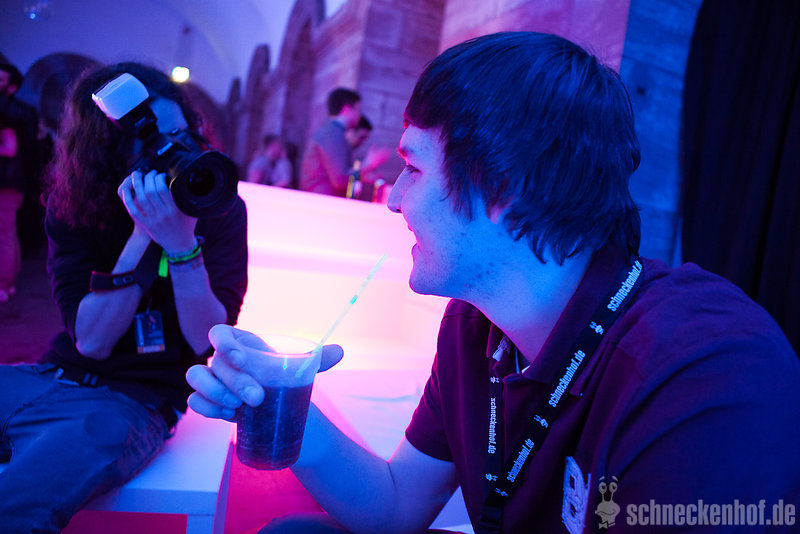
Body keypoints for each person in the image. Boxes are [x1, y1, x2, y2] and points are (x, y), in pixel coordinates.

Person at [187, 32, 800, 533]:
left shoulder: (706, 373)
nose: (394, 200)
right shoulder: (474, 327)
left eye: (411, 167)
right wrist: (284, 399)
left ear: (504, 185)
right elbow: (396, 506)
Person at [0, 62, 248, 533]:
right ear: (108, 155)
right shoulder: (76, 203)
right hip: (49, 375)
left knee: (13, 507)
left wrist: (180, 245)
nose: (173, 153)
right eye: (151, 143)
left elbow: (206, 339)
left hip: (132, 404)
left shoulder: (218, 205)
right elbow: (91, 340)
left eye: (180, 135)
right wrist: (143, 234)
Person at [299, 88, 387, 197]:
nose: (359, 115)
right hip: (321, 199)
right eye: (357, 109)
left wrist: (363, 175)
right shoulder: (332, 133)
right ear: (347, 109)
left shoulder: (332, 131)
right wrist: (367, 165)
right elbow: (339, 180)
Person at [0, 61, 37, 301]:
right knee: (8, 233)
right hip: (13, 181)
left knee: (5, 234)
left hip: (7, 182)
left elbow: (10, 147)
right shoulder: (18, 111)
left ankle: (5, 284)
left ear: (12, 86)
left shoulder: (9, 112)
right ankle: (8, 283)